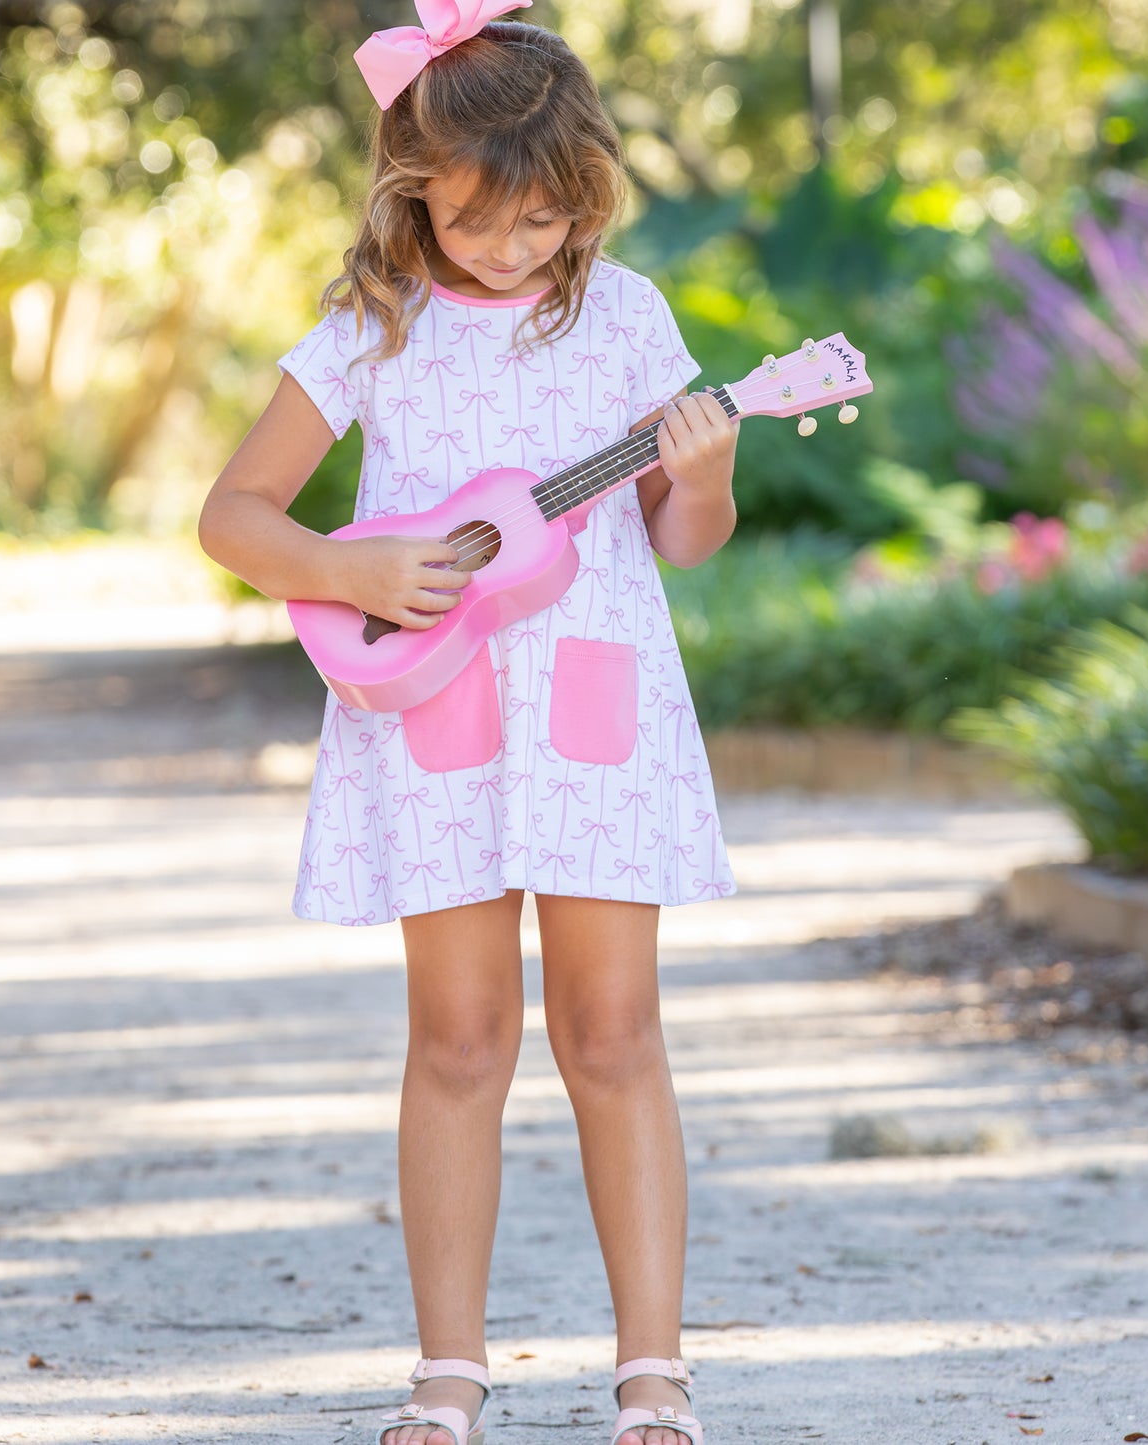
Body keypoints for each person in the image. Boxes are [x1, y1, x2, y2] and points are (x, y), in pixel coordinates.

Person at [198, 5, 739, 1443]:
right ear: (413, 181)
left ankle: (652, 1374)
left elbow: (685, 543)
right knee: (455, 1038)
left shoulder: (622, 316)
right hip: (434, 714)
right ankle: (448, 1371)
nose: (516, 249)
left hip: (594, 721)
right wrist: (347, 567)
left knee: (615, 1035)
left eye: (550, 221)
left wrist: (704, 471)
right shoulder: (370, 327)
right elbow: (232, 513)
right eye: (487, 221)